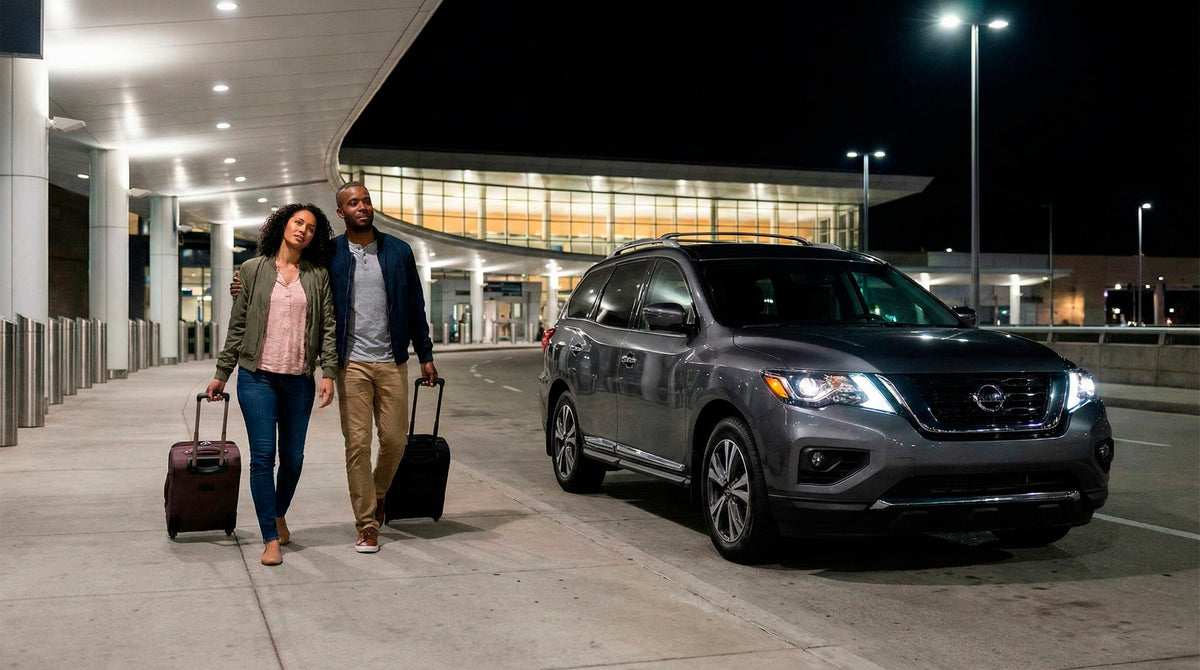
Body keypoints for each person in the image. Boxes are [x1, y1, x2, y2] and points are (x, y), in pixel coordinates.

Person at [231, 182, 438, 554]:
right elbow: (294, 276)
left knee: (394, 442)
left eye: (366, 201)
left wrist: (425, 354)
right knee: (357, 444)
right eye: (353, 203)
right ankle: (367, 523)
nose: (362, 207)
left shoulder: (399, 252)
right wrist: (243, 283)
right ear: (341, 213)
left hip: (392, 361)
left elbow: (415, 306)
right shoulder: (331, 254)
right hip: (351, 363)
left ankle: (376, 495)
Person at [207, 204, 337, 566]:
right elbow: (238, 325)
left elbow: (328, 326)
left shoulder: (318, 274)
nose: (303, 231)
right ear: (283, 225)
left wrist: (328, 372)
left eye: (311, 228)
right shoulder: (252, 270)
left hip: (298, 380)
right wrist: (222, 372)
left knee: (293, 459)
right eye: (298, 223)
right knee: (263, 458)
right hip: (257, 378)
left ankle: (279, 511)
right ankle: (269, 537)